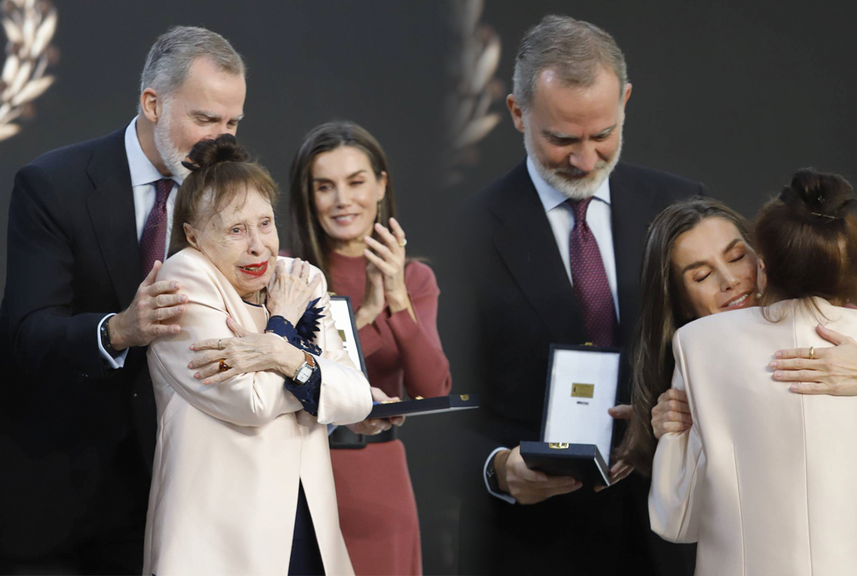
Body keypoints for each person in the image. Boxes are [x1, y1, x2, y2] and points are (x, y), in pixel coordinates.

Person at [628, 196, 857, 576]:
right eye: (702, 276)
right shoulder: (694, 360)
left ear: (763, 259)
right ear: (679, 300)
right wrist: (668, 431)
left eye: (737, 257)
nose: (730, 280)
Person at [456, 14, 703, 575]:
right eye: (562, 139)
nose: (586, 160)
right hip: (529, 544)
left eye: (603, 134)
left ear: (626, 101)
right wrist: (496, 468)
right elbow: (443, 400)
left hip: (668, 531)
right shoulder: (463, 233)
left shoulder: (682, 206)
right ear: (518, 113)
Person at [0, 26, 246, 573]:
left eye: (232, 122)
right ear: (152, 103)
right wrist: (116, 331)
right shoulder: (52, 185)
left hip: (180, 502)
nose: (219, 140)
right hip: (59, 504)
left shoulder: (228, 200)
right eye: (205, 119)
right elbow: (25, 334)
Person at [143, 134, 400, 575]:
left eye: (265, 223)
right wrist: (288, 334)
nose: (259, 245)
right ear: (194, 236)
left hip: (307, 525)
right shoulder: (182, 282)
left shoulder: (301, 278)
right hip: (219, 541)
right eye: (236, 230)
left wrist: (277, 355)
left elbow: (356, 395)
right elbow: (252, 401)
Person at [289, 120, 452, 575]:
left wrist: (396, 298)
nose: (343, 200)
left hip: (379, 480)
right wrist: (366, 314)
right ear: (309, 196)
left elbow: (432, 387)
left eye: (356, 182)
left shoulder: (416, 278)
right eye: (325, 186)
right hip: (302, 470)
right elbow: (298, 375)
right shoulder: (287, 275)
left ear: (381, 186)